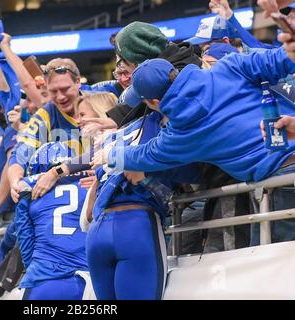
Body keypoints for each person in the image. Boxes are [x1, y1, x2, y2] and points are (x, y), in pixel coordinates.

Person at [99, 48, 295, 243]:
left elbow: (146, 155)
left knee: (279, 265)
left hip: (280, 180)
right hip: (283, 171)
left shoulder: (182, 132)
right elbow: (283, 57)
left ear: (154, 102)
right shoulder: (230, 66)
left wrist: (110, 154)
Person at [15, 142, 91, 300]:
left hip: (45, 277)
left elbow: (25, 238)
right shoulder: (91, 180)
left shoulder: (26, 188)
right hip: (86, 278)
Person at [8, 58, 84, 203]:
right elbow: (20, 153)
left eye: (65, 89)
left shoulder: (103, 98)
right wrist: (15, 181)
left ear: (78, 81)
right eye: (53, 91)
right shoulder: (46, 114)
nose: (60, 96)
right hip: (67, 194)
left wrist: (56, 172)